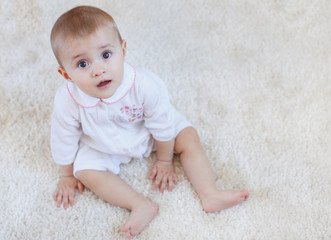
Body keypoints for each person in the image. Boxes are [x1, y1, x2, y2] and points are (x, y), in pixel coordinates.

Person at [50, 5, 249, 239]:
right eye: (83, 64)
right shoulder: (68, 100)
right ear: (66, 75)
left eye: (106, 55)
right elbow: (63, 136)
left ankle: (210, 193)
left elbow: (162, 123)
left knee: (187, 137)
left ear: (123, 50)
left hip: (148, 132)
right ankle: (139, 204)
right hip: (102, 143)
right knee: (84, 170)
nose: (99, 70)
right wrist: (66, 175)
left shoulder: (144, 84)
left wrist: (165, 160)